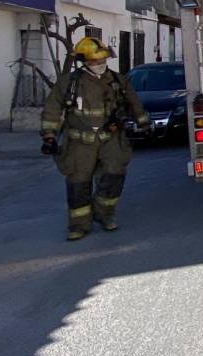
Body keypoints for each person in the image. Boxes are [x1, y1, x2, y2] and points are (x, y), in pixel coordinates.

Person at [40, 37, 150, 241]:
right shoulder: (69, 83)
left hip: (111, 139)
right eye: (94, 62)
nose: (100, 65)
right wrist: (49, 136)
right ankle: (79, 225)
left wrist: (144, 124)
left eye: (102, 60)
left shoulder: (117, 81)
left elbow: (134, 103)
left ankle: (104, 214)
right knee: (78, 183)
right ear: (84, 62)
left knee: (114, 175)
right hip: (80, 143)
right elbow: (52, 110)